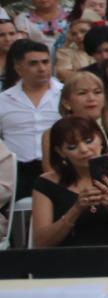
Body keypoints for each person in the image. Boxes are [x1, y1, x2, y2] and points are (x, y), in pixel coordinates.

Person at [31, 116, 108, 247]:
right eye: (72, 146)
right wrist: (76, 209)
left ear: (101, 139)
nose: (84, 150)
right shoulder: (46, 183)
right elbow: (41, 242)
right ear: (61, 152)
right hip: (66, 260)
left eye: (89, 141)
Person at [45, 70, 108, 172]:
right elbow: (52, 178)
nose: (91, 98)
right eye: (82, 93)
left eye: (97, 92)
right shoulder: (50, 134)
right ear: (66, 103)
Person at [0, 40, 62, 195]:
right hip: (17, 171)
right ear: (18, 68)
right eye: (33, 63)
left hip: (60, 167)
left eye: (45, 62)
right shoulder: (3, 100)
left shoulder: (66, 94)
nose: (41, 68)